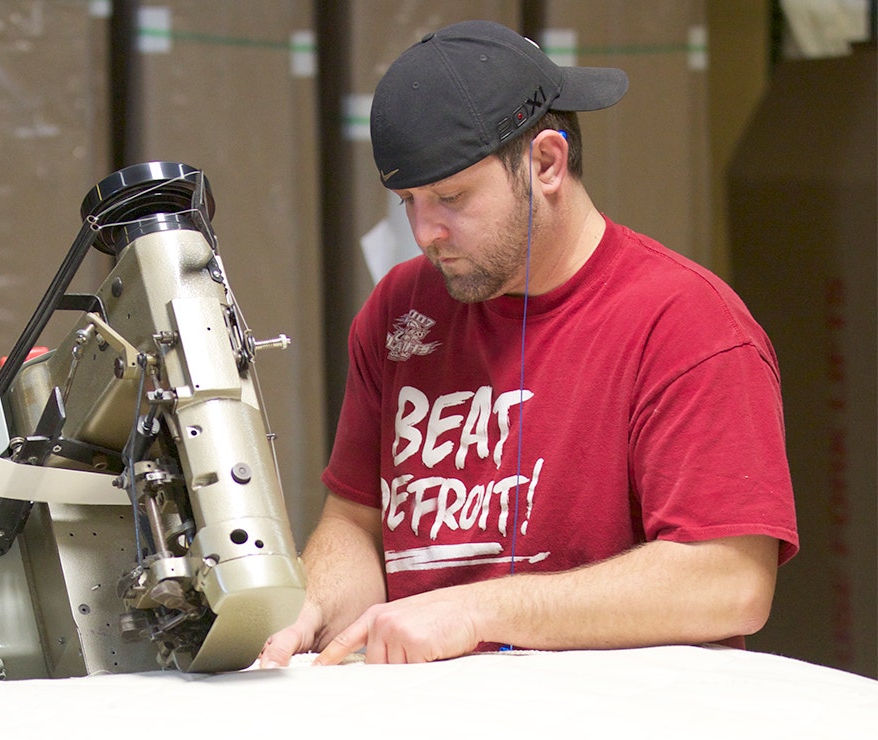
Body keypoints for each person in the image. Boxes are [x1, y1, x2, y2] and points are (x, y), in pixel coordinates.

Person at [259, 20, 798, 667]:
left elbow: (729, 581)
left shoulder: (687, 325)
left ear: (546, 163)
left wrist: (480, 609)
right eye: (408, 200)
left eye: (451, 196)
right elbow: (356, 524)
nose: (426, 231)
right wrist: (308, 603)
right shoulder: (399, 313)